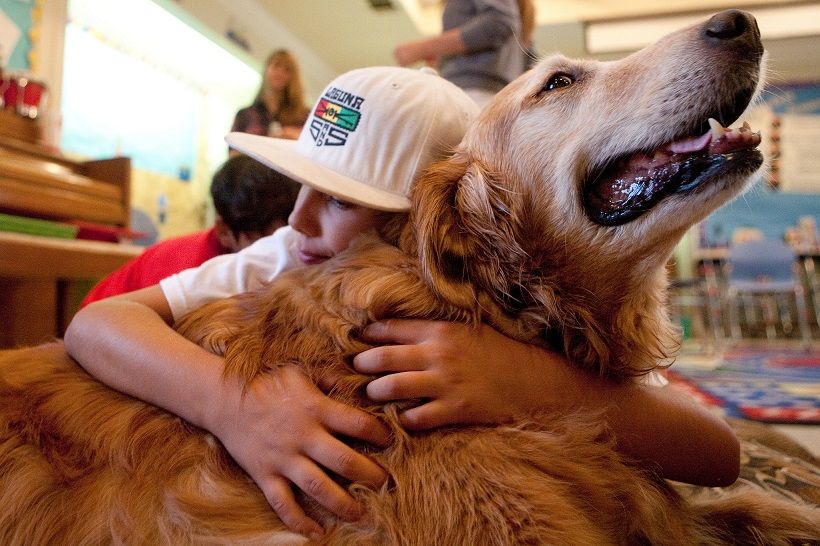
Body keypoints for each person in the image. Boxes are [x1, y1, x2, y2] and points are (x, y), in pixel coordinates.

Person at [65, 66, 739, 540]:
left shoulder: (486, 277)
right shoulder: (284, 254)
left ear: (426, 223)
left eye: (337, 198)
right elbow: (95, 324)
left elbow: (715, 454)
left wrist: (530, 382)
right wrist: (232, 405)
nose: (296, 220)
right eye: (299, 185)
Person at [80, 155, 300, 307]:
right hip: (97, 329)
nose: (277, 252)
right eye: (263, 242)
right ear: (223, 231)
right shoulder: (187, 271)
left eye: (286, 238)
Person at [393, 0, 535, 107]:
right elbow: (528, 59)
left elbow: (499, 23)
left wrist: (423, 48)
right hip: (492, 96)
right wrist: (444, 56)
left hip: (473, 94)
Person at [231, 49, 309, 140]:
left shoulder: (304, 116)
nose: (280, 72)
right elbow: (232, 151)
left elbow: (314, 146)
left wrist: (295, 136)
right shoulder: (245, 115)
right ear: (266, 68)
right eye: (276, 65)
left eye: (287, 69)